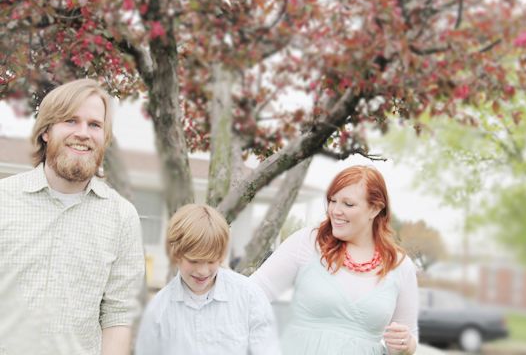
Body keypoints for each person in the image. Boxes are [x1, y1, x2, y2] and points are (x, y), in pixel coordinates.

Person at [0, 79, 145, 355]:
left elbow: (118, 315)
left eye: (95, 125)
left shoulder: (122, 218)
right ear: (46, 131)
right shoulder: (3, 200)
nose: (83, 133)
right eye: (70, 121)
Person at [251, 165, 419, 355]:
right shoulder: (308, 242)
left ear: (374, 209)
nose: (335, 211)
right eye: (333, 201)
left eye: (348, 204)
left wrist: (404, 345)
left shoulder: (399, 265)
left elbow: (408, 338)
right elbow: (251, 296)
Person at [135, 204, 280, 355]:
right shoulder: (158, 311)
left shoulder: (250, 297)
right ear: (176, 254)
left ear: (221, 256)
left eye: (211, 261)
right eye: (194, 261)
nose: (202, 271)